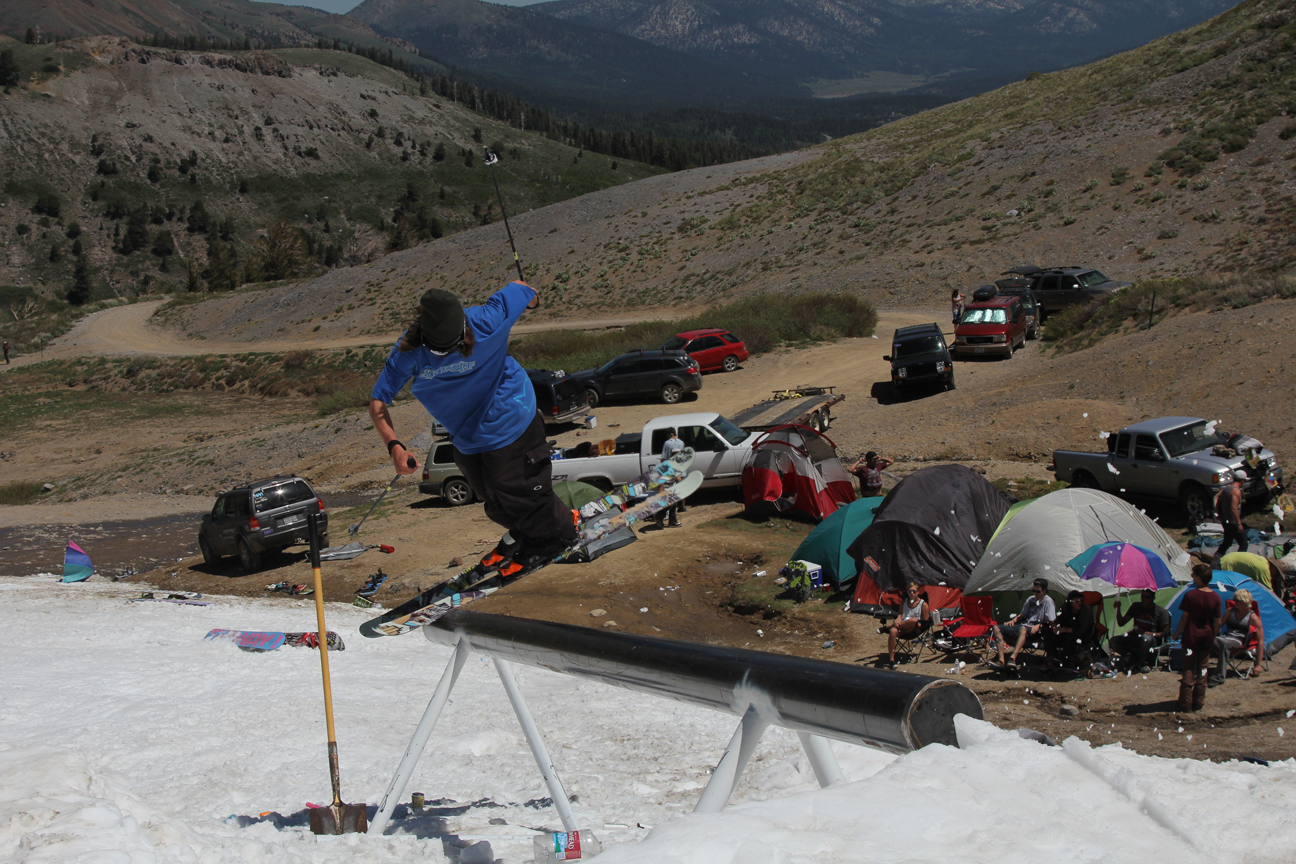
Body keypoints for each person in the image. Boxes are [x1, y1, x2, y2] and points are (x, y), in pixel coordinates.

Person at [368, 283, 576, 570]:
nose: (447, 354)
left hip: (511, 414)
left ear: (463, 328)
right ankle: (528, 534)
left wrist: (533, 300)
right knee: (490, 497)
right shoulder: (409, 350)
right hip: (467, 433)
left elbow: (524, 289)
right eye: (438, 350)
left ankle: (560, 539)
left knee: (522, 490)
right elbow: (378, 401)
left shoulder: (487, 319)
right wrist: (394, 446)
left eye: (454, 346)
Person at [1172, 563, 1221, 712]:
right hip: (1206, 637)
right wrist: (1213, 635)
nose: (1192, 577)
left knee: (1188, 669)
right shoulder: (1216, 597)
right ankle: (1198, 701)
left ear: (1199, 577)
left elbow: (1184, 618)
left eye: (1193, 575)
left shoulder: (1190, 595)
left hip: (1190, 637)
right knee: (1203, 669)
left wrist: (1177, 633)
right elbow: (1217, 622)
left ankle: (1185, 702)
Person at [994, 578, 1056, 667]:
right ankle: (1001, 660)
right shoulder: (1031, 599)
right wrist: (1013, 621)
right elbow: (1022, 615)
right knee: (997, 628)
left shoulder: (1048, 602)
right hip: (1025, 625)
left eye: (1038, 591)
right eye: (1034, 590)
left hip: (1037, 629)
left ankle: (1013, 658)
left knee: (1023, 629)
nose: (1035, 593)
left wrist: (1038, 626)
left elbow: (1051, 621)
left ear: (1044, 590)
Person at [1211, 588, 1265, 685]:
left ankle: (1219, 677)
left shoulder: (1253, 618)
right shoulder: (1230, 611)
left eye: (1237, 600)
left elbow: (1260, 641)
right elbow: (1219, 625)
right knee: (1204, 639)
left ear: (1245, 601)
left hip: (1238, 641)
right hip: (1224, 637)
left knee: (1224, 644)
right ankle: (1197, 670)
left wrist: (1258, 665)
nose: (1234, 602)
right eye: (1234, 599)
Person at [1112, 589, 1171, 672]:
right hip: (1135, 637)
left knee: (1146, 638)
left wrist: (1146, 633)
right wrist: (1118, 609)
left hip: (1151, 640)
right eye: (1142, 597)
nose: (1144, 599)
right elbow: (1121, 623)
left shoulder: (1160, 611)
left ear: (1153, 598)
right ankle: (1131, 658)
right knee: (1113, 641)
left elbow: (1165, 634)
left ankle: (1142, 663)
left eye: (1147, 597)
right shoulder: (1136, 606)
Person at [881, 581, 930, 669]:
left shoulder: (923, 605)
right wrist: (898, 620)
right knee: (893, 631)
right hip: (901, 626)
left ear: (918, 592)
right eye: (909, 591)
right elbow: (900, 614)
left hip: (914, 628)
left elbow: (924, 623)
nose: (912, 593)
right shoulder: (904, 602)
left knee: (913, 620)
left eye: (914, 591)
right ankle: (892, 660)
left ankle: (887, 627)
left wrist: (916, 624)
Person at [1050, 590, 1095, 671]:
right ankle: (1053, 657)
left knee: (1071, 639)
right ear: (1070, 602)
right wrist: (1054, 626)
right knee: (1050, 635)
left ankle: (1066, 661)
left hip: (1083, 634)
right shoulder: (1066, 608)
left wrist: (1065, 630)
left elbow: (1083, 629)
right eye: (1076, 601)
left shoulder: (1086, 610)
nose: (1079, 603)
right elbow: (1059, 620)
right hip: (1067, 632)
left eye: (1081, 600)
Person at [1211, 471, 1248, 565]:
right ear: (1243, 480)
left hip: (1225, 521)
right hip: (1233, 523)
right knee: (1244, 544)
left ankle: (1216, 560)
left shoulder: (1226, 488)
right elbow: (1233, 508)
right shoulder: (1236, 491)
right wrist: (1239, 524)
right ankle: (1238, 563)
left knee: (1227, 542)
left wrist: (1217, 513)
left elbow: (1216, 497)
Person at [654, 427, 685, 528]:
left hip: (672, 484)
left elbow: (678, 478)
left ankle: (672, 521)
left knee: (673, 503)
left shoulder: (667, 444)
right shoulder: (681, 443)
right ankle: (659, 516)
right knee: (669, 503)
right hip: (666, 486)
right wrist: (661, 489)